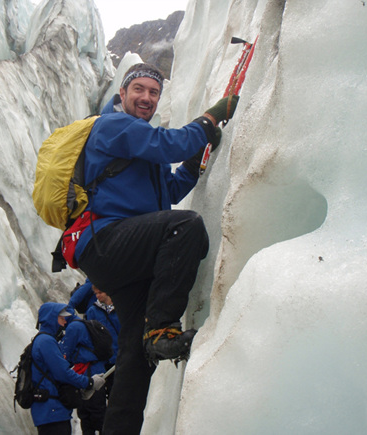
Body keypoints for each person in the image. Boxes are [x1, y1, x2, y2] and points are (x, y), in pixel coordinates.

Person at [66, 63, 239, 434]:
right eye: (139, 90)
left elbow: (168, 193)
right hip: (106, 242)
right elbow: (168, 144)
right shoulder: (113, 126)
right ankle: (161, 328)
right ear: (123, 94)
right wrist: (210, 120)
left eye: (153, 92)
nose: (146, 98)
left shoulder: (139, 147)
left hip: (130, 259)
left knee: (134, 357)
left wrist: (193, 165)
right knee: (185, 225)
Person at [30, 302, 105, 435]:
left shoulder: (43, 340)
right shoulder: (46, 342)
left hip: (50, 411)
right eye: (61, 318)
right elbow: (62, 373)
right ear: (51, 318)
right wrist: (89, 382)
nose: (65, 322)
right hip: (52, 411)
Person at [61, 310, 108, 435]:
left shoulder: (73, 327)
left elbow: (66, 354)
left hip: (87, 372)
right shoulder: (82, 324)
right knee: (99, 412)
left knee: (87, 414)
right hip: (97, 369)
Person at [86, 285, 121, 399]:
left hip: (119, 356)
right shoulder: (92, 311)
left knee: (118, 392)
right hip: (103, 359)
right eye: (96, 293)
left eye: (100, 292)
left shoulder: (120, 308)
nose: (98, 296)